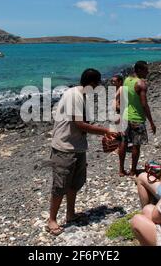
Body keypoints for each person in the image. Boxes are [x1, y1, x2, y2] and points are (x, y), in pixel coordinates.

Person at [47, 68, 118, 236]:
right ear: (92, 84)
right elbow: (78, 123)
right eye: (98, 84)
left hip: (77, 146)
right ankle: (52, 220)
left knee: (75, 183)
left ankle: (70, 214)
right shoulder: (74, 96)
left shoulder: (82, 96)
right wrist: (105, 131)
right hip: (64, 147)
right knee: (60, 186)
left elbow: (82, 126)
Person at [118, 61, 156, 177]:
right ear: (139, 70)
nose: (148, 72)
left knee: (123, 142)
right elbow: (144, 105)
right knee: (136, 145)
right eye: (145, 70)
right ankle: (133, 170)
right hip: (137, 118)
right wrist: (151, 122)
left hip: (125, 116)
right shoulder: (141, 84)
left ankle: (121, 170)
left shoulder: (127, 80)